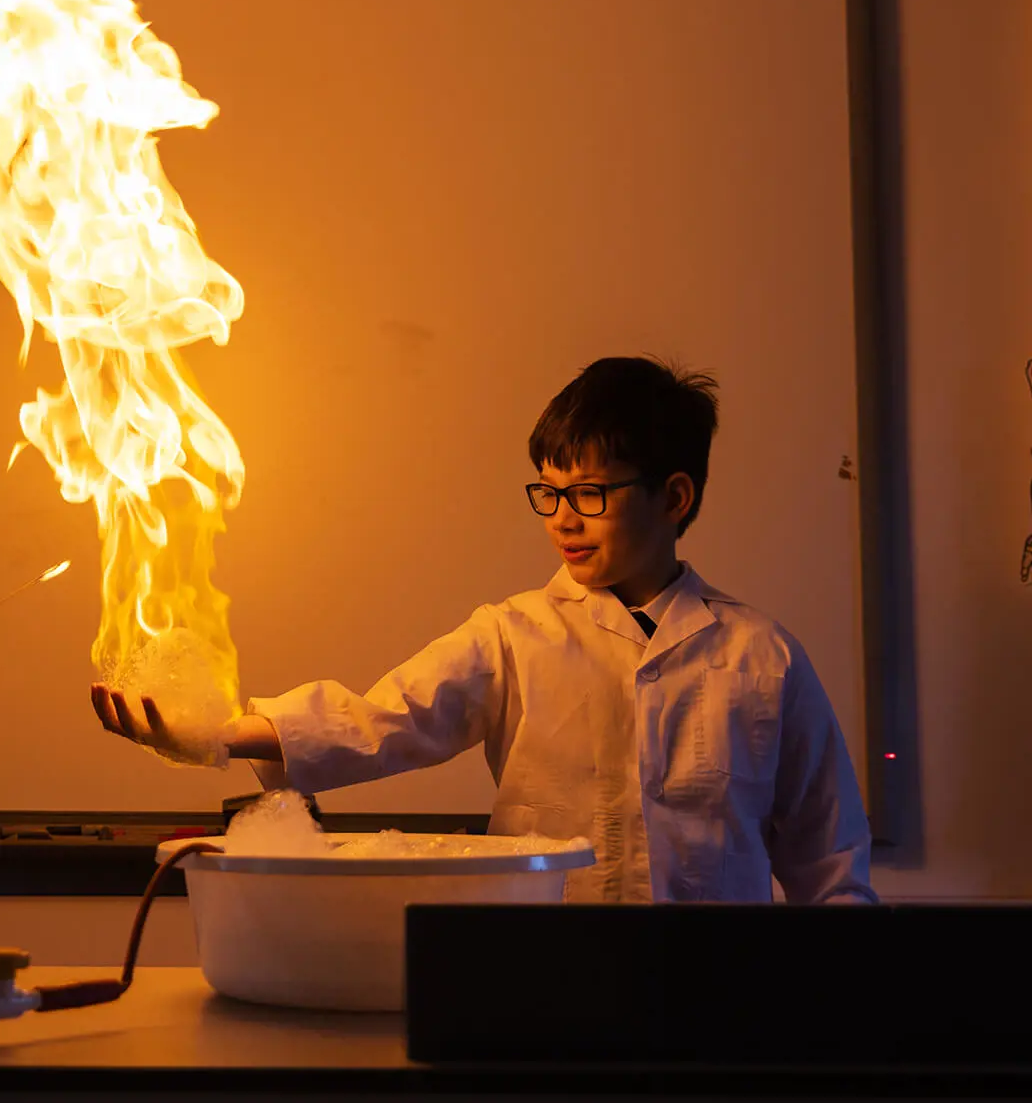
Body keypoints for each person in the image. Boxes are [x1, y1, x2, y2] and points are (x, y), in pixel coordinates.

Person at [93, 357, 875, 904]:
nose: (563, 518)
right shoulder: (515, 636)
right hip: (547, 987)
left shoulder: (760, 658)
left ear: (674, 497)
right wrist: (219, 736)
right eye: (551, 492)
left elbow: (827, 856)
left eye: (591, 493)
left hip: (719, 1004)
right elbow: (381, 720)